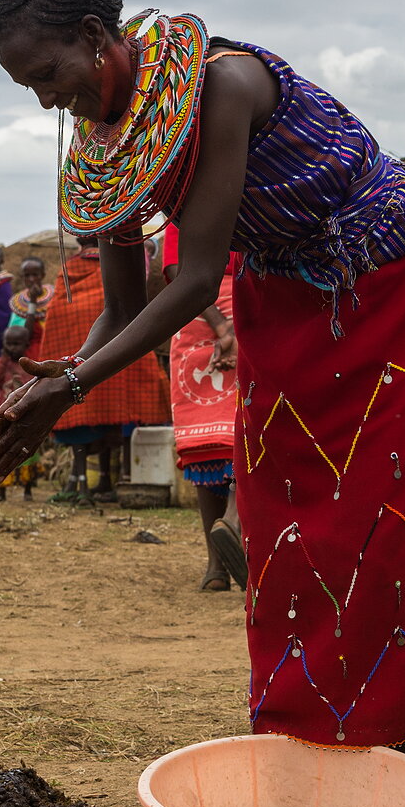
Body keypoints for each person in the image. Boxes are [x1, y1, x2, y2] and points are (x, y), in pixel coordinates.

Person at [0, 0, 405, 807]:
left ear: (96, 39)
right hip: (284, 299)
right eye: (29, 91)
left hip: (385, 283)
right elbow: (122, 303)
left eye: (49, 76)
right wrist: (64, 378)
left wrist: (74, 381)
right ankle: (307, 767)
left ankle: (397, 796)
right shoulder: (105, 144)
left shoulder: (224, 84)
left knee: (379, 527)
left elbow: (192, 273)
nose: (49, 106)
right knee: (284, 526)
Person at [32, 235, 170, 504]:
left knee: (87, 416)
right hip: (109, 359)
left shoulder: (69, 270)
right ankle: (104, 479)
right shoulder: (113, 268)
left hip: (79, 360)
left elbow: (60, 315)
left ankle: (94, 480)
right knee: (108, 417)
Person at [161, 222, 241, 591]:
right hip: (232, 315)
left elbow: (177, 271)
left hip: (196, 316)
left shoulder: (182, 211)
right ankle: (233, 527)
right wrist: (226, 328)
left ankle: (216, 566)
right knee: (242, 434)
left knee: (210, 441)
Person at [0, 324, 42, 501]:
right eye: (9, 343)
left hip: (25, 415)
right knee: (1, 450)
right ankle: (1, 491)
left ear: (26, 344)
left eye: (17, 344)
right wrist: (3, 360)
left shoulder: (30, 363)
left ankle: (27, 489)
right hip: (3, 417)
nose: (12, 348)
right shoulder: (2, 363)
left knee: (25, 451)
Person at [9, 255, 53, 350]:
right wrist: (33, 301)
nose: (31, 279)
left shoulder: (55, 296)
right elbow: (25, 335)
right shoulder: (18, 305)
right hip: (32, 352)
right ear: (22, 277)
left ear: (43, 275)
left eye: (35, 275)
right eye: (27, 275)